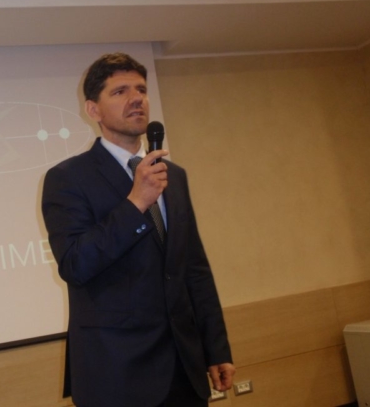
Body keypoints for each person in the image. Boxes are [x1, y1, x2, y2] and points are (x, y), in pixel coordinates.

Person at [41, 52, 234, 407]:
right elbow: (75, 264)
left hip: (185, 367)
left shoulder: (174, 176)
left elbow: (193, 268)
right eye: (120, 91)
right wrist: (135, 203)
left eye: (141, 90)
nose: (136, 99)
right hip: (117, 374)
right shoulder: (67, 178)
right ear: (93, 110)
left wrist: (215, 348)